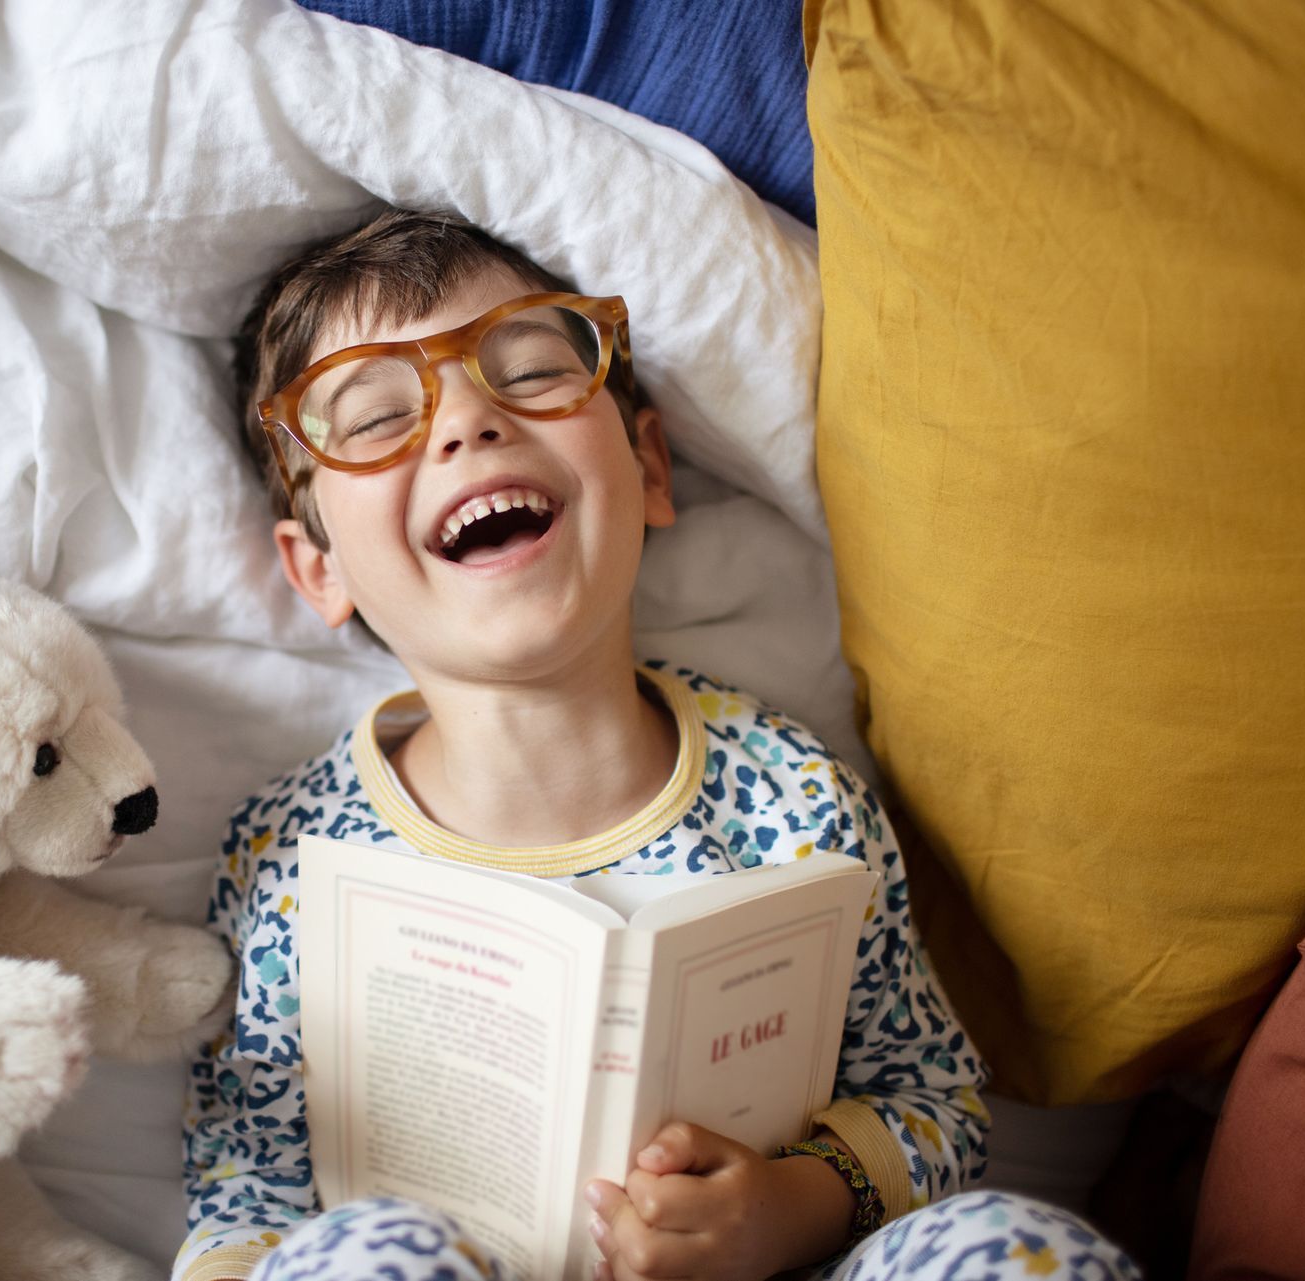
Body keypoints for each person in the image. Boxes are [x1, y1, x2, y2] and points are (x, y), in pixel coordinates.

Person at [177, 209, 1136, 1281]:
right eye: (372, 417)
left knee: (1008, 1249)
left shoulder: (792, 793)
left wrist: (788, 1204)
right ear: (319, 572)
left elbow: (931, 1107)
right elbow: (244, 1189)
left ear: (649, 466)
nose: (464, 423)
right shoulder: (294, 855)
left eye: (532, 370)